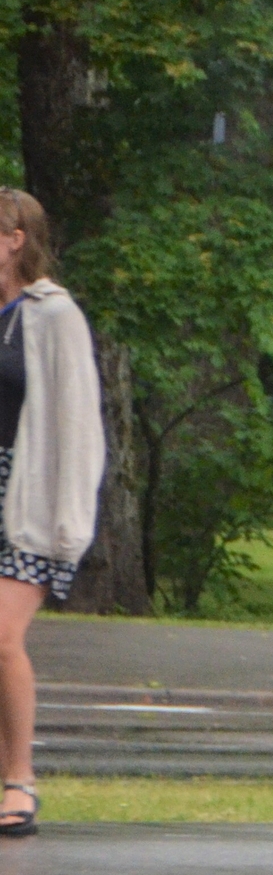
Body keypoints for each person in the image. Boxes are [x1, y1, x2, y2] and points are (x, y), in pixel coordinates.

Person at [0, 188, 105, 837]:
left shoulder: (52, 314)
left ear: (15, 238)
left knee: (1, 639)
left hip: (28, 500)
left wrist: (71, 523)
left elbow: (77, 421)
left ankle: (20, 781)